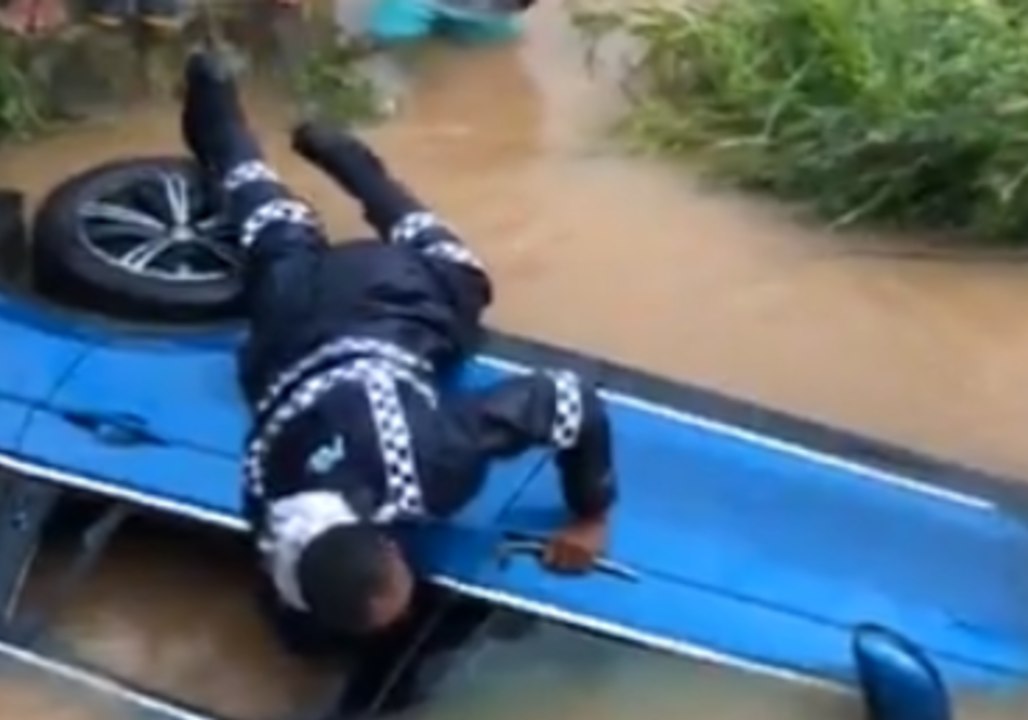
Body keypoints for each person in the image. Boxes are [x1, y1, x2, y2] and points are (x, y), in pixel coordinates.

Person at [180, 50, 616, 662]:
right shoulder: (267, 502)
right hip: (292, 333)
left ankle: (358, 170)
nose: (410, 606)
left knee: (461, 275)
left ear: (388, 544)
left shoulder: (434, 463)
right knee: (264, 214)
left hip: (386, 302)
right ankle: (219, 99)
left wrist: (590, 513)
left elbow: (573, 400)